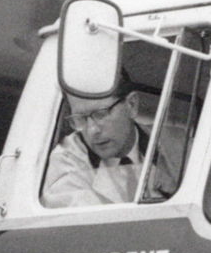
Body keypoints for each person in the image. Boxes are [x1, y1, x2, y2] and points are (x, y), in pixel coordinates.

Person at [41, 88, 184, 209]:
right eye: (80, 119)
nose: (92, 130)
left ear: (131, 105)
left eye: (101, 114)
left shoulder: (178, 144)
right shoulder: (67, 160)